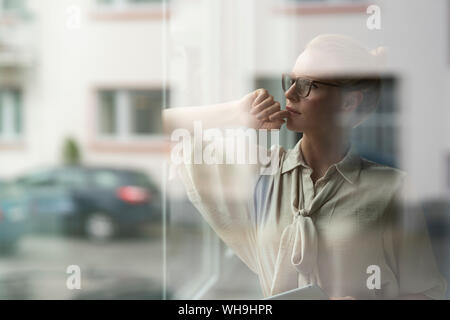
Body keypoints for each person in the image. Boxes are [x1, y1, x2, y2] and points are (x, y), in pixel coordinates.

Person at [163, 34, 447, 299]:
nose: (289, 95)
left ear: (348, 102)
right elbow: (169, 125)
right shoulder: (261, 171)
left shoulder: (391, 188)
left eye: (307, 85)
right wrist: (236, 113)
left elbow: (428, 292)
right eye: (291, 80)